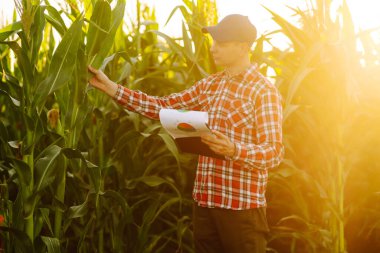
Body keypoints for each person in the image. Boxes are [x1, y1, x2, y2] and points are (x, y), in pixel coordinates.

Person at [88, 14, 284, 253]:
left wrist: (234, 149)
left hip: (241, 211)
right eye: (213, 42)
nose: (213, 49)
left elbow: (273, 153)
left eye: (221, 43)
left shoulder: (264, 91)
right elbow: (163, 105)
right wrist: (113, 88)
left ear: (243, 47)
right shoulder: (210, 85)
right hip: (204, 204)